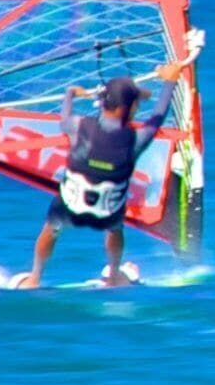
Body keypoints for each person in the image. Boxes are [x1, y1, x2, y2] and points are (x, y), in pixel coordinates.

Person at [18, 75, 164, 288]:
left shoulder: (78, 126)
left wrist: (70, 94)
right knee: (115, 228)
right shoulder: (137, 139)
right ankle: (114, 274)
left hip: (70, 208)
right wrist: (169, 81)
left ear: (104, 102)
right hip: (107, 215)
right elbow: (158, 117)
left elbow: (64, 118)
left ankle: (34, 278)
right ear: (129, 107)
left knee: (51, 230)